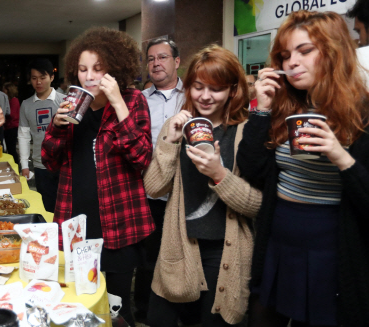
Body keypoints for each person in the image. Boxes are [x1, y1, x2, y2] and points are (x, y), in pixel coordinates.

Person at [236, 10, 369, 326]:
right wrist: (262, 108)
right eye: (284, 56)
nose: (291, 62)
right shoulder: (288, 105)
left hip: (331, 251)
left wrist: (341, 157)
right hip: (278, 243)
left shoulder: (363, 115)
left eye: (305, 50)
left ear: (334, 51)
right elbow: (251, 169)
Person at [41, 27, 154, 327]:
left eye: (98, 69)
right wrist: (56, 126)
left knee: (116, 309)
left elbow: (141, 158)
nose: (89, 76)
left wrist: (118, 104)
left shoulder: (133, 100)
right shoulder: (71, 104)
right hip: (76, 223)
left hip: (119, 223)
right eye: (82, 69)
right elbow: (49, 161)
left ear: (114, 70)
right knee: (79, 304)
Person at [143, 45, 260, 327]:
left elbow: (257, 204)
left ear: (232, 90)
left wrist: (219, 173)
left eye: (216, 89)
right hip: (179, 247)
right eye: (198, 87)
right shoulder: (177, 126)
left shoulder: (246, 132)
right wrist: (169, 142)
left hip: (226, 255)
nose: (205, 96)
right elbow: (153, 188)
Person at [135, 37, 185, 324]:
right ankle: (144, 310)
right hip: (149, 191)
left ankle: (183, 309)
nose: (156, 63)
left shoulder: (191, 96)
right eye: (152, 58)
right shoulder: (139, 100)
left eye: (163, 57)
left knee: (181, 253)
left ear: (176, 62)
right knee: (148, 258)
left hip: (183, 191)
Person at [18, 58, 63, 212]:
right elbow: (23, 136)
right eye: (34, 78)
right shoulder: (26, 104)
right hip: (40, 164)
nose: (38, 82)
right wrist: (24, 165)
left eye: (42, 78)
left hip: (64, 162)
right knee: (47, 207)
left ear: (51, 77)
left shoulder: (64, 102)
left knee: (66, 206)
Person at [3, 82, 21, 168]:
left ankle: (16, 164)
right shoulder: (12, 100)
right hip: (10, 126)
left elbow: (12, 114)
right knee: (10, 148)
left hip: (12, 126)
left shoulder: (13, 100)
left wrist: (4, 114)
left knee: (11, 148)